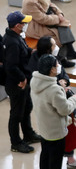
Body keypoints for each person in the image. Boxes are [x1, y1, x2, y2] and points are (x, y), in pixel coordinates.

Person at [27, 38, 76, 169]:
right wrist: (74, 99)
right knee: (55, 160)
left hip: (44, 128)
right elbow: (64, 109)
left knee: (45, 155)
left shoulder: (35, 82)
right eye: (56, 65)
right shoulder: (54, 89)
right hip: (56, 132)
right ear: (52, 70)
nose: (59, 66)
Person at [4, 11, 41, 154]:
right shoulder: (11, 42)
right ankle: (16, 143)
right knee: (16, 114)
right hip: (17, 84)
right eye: (24, 23)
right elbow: (11, 66)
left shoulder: (16, 36)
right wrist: (22, 78)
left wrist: (31, 51)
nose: (26, 24)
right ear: (17, 25)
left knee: (27, 107)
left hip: (23, 80)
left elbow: (23, 50)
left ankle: (28, 134)